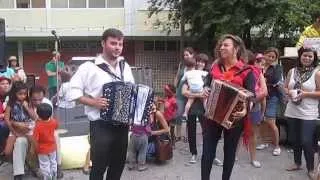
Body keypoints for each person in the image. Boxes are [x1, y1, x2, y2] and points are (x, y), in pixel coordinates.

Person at [68, 28, 134, 180]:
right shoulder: (89, 67)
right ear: (103, 43)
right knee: (99, 166)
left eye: (120, 44)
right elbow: (72, 92)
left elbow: (132, 91)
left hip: (122, 125)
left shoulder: (125, 66)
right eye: (113, 43)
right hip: (100, 124)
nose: (117, 47)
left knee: (118, 165)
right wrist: (93, 102)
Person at [201, 34, 256, 180]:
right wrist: (205, 89)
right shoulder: (215, 67)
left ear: (236, 49)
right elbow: (206, 84)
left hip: (234, 118)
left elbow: (252, 96)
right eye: (221, 45)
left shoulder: (247, 71)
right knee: (207, 152)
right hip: (212, 115)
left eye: (226, 45)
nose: (222, 47)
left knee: (229, 152)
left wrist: (245, 109)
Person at [284, 47, 319, 179]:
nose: (307, 58)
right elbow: (285, 87)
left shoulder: (317, 73)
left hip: (309, 112)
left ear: (314, 59)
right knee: (295, 139)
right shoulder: (292, 71)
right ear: (300, 56)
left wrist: (306, 94)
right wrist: (290, 92)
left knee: (306, 140)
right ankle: (297, 163)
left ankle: (310, 168)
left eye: (310, 57)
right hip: (292, 110)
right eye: (305, 56)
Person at [3, 82, 37, 180]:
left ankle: (31, 165)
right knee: (7, 151)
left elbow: (34, 118)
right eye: (20, 94)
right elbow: (7, 119)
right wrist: (14, 132)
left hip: (28, 127)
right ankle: (18, 162)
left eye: (25, 94)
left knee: (34, 146)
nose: (23, 96)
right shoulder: (11, 103)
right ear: (14, 93)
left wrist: (26, 107)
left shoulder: (28, 102)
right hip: (15, 128)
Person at [256, 48, 282, 156]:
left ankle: (277, 146)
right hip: (260, 96)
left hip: (272, 97)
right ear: (264, 55)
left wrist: (264, 80)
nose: (270, 58)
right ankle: (264, 142)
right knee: (261, 120)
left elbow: (276, 80)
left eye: (273, 57)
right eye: (269, 55)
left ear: (276, 59)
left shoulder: (277, 67)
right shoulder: (258, 65)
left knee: (271, 121)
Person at [246, 52, 268, 168]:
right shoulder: (244, 71)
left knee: (253, 133)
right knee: (238, 133)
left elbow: (264, 92)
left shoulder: (259, 73)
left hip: (254, 104)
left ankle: (253, 158)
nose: (263, 67)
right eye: (261, 64)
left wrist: (253, 100)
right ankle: (233, 155)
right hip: (244, 104)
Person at [32, 103, 59, 179]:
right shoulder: (53, 121)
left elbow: (35, 139)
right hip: (53, 147)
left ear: (38, 115)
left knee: (44, 165)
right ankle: (54, 175)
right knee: (53, 162)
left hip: (42, 149)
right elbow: (56, 126)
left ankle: (47, 177)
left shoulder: (38, 126)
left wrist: (35, 149)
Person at [174, 47, 195, 142]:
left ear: (192, 55)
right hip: (179, 93)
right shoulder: (182, 65)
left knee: (188, 115)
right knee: (178, 114)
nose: (185, 56)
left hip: (191, 93)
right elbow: (178, 76)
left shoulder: (195, 64)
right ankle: (177, 135)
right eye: (184, 55)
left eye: (187, 54)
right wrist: (174, 88)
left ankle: (186, 135)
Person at [181, 54, 208, 120]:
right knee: (191, 129)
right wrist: (200, 95)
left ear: (205, 64)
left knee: (205, 129)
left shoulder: (207, 75)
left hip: (202, 111)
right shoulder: (193, 74)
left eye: (203, 62)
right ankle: (185, 113)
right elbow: (184, 92)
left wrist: (193, 94)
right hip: (192, 110)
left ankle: (185, 113)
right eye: (198, 61)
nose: (200, 64)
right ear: (195, 63)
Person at [0, 77, 10, 160]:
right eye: (3, 84)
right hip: (2, 119)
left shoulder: (12, 95)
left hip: (9, 119)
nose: (5, 85)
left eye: (7, 84)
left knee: (3, 126)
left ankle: (6, 149)